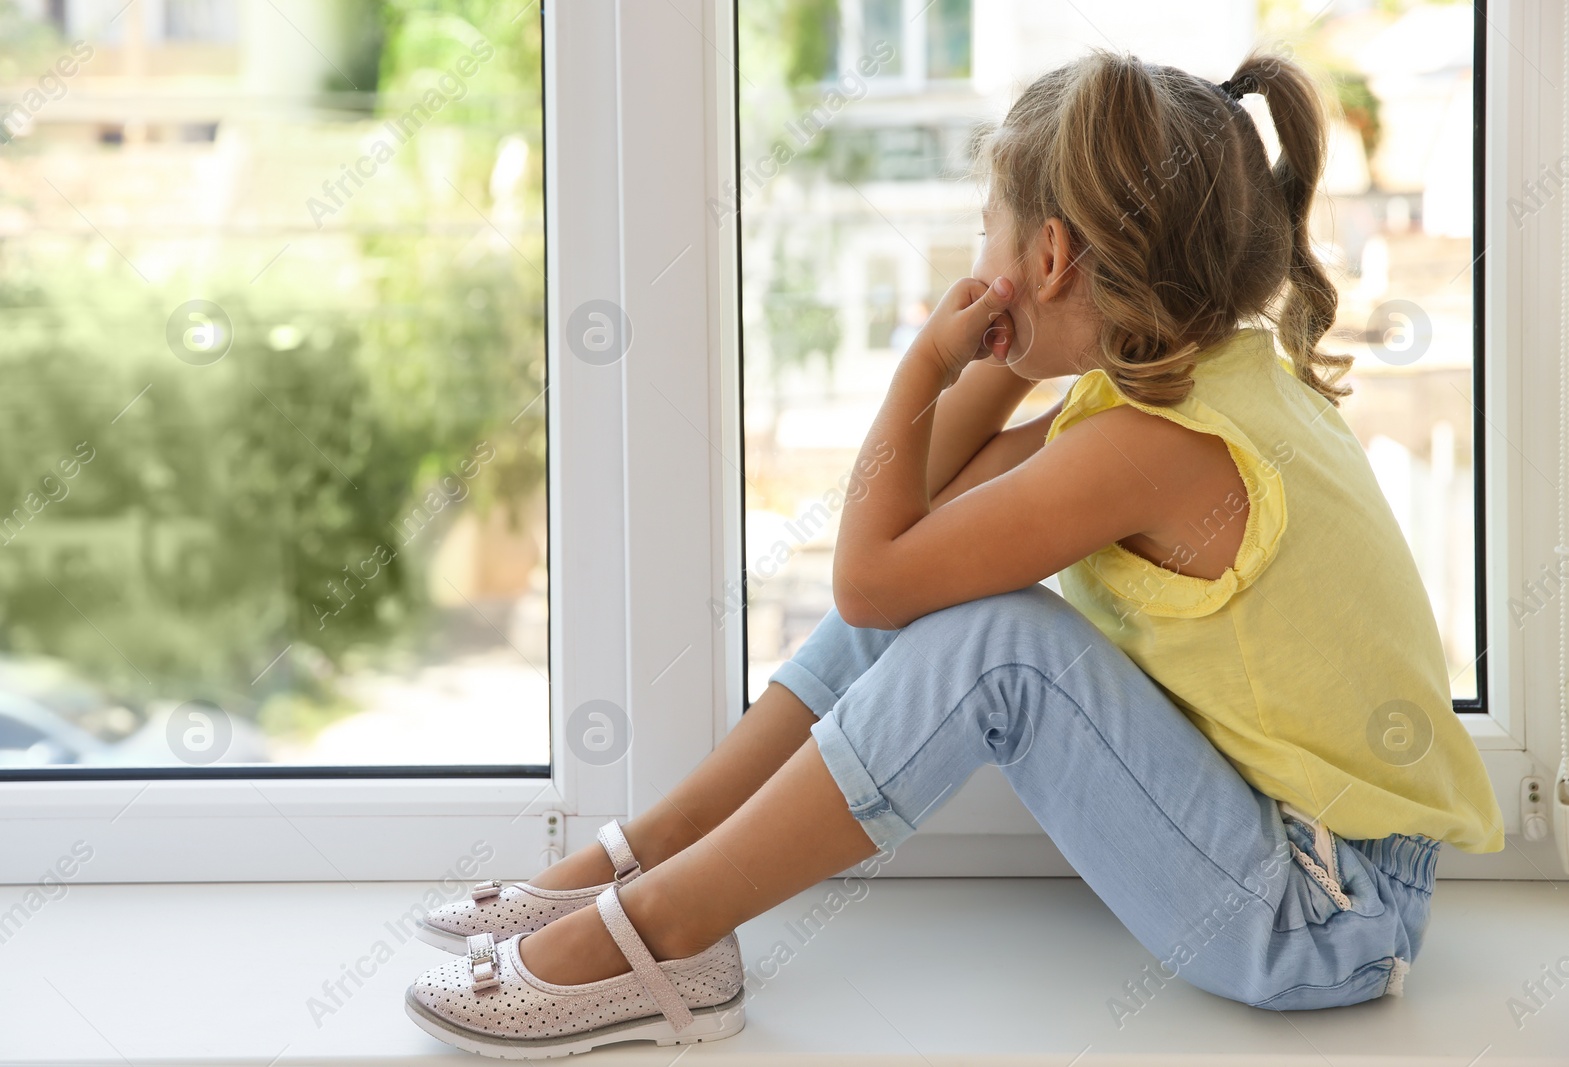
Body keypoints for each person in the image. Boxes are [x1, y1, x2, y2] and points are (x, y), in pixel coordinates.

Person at [403, 49, 1504, 1058]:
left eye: (991, 228)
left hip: (1325, 918)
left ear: (1050, 253)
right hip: (1321, 875)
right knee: (955, 601)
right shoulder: (1174, 393)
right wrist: (1011, 352)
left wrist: (923, 368)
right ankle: (651, 854)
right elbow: (919, 537)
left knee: (999, 645)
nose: (978, 259)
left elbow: (868, 569)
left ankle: (665, 922)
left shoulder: (1152, 444)